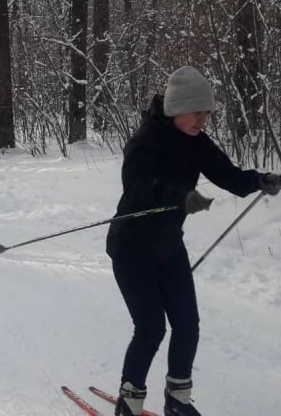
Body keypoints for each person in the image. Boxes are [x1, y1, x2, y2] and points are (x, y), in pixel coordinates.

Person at [107, 66, 281, 416]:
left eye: (206, 112)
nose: (203, 119)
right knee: (152, 327)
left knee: (187, 323)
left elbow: (228, 175)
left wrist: (258, 180)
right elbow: (137, 189)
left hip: (169, 246)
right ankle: (129, 401)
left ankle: (178, 401)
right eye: (197, 111)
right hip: (132, 249)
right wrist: (179, 197)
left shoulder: (196, 141)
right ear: (176, 108)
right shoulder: (144, 142)